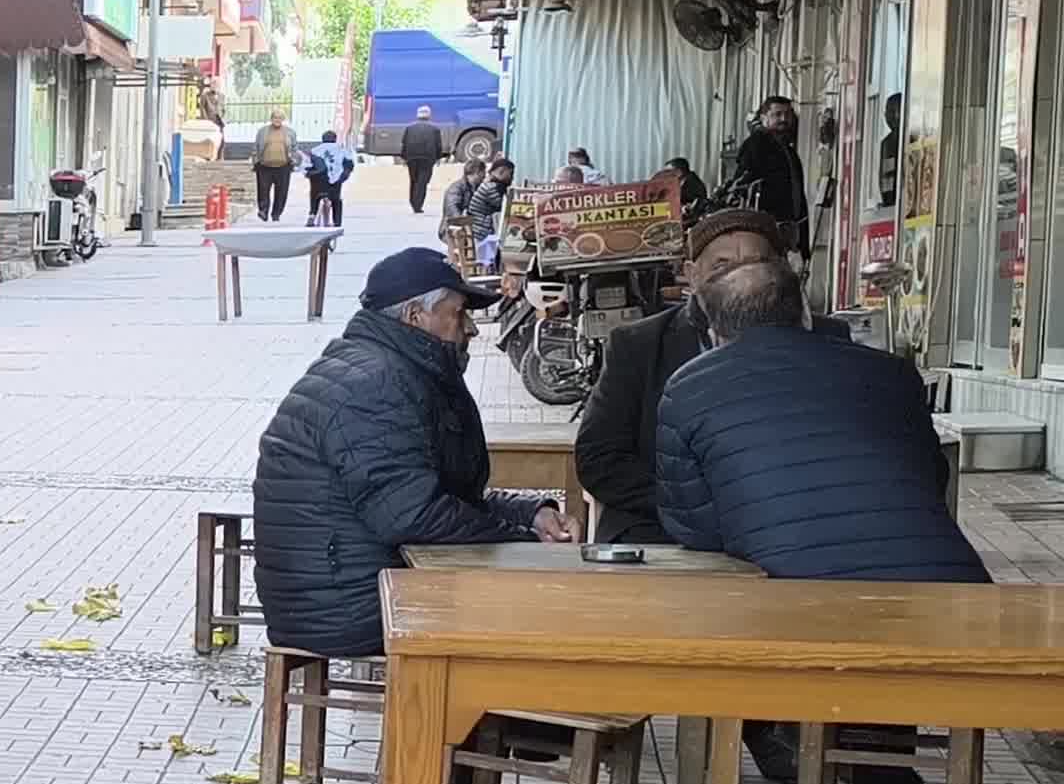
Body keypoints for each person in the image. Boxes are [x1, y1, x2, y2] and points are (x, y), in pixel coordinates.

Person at [657, 256, 988, 784]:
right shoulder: (892, 374)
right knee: (879, 627)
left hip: (797, 606)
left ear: (713, 332)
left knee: (831, 632)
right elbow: (931, 479)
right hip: (955, 600)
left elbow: (693, 528)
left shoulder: (687, 389)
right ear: (806, 314)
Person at [252, 248, 570, 659]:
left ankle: (503, 722)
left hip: (357, 585)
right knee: (544, 621)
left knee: (540, 615)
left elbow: (427, 496)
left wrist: (528, 514)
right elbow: (414, 516)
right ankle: (497, 721)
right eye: (459, 313)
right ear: (415, 317)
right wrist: (521, 540)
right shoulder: (376, 384)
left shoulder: (387, 369)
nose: (471, 328)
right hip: (346, 607)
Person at [573, 208, 792, 544]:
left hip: (784, 526)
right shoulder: (639, 346)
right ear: (691, 274)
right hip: (660, 527)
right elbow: (599, 460)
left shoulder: (822, 341)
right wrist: (700, 506)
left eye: (755, 263)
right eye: (721, 266)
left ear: (783, 269)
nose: (738, 278)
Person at [728, 95, 811, 253]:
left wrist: (803, 240)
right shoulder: (756, 145)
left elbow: (797, 192)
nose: (783, 119)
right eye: (777, 114)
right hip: (764, 230)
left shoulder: (788, 151)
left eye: (787, 114)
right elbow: (741, 185)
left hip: (788, 229)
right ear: (764, 117)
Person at [396, 106, 445, 213]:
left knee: (413, 180)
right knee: (423, 181)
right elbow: (438, 145)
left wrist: (404, 157)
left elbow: (404, 143)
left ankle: (413, 202)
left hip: (412, 157)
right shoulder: (435, 129)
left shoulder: (409, 128)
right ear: (429, 115)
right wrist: (438, 157)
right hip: (428, 158)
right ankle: (418, 205)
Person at [250, 113, 297, 222]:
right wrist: (255, 161)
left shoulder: (290, 132)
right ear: (271, 119)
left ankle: (276, 213)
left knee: (281, 192)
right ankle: (263, 211)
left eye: (280, 118)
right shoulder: (263, 131)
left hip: (283, 167)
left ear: (283, 119)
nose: (277, 120)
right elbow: (256, 147)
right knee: (263, 190)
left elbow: (294, 148)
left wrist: (293, 160)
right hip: (264, 166)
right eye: (275, 118)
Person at [301, 129, 351, 226]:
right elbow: (349, 164)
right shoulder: (341, 150)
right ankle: (337, 222)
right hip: (335, 183)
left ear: (323, 139)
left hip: (318, 182)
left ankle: (312, 215)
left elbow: (306, 166)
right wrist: (343, 177)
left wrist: (309, 174)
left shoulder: (314, 151)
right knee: (337, 200)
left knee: (314, 196)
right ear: (335, 139)